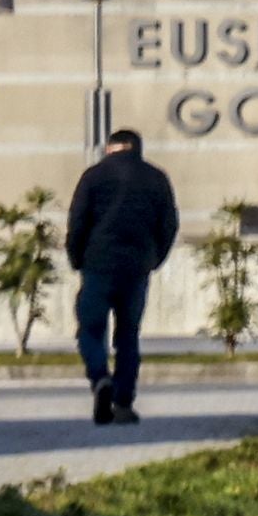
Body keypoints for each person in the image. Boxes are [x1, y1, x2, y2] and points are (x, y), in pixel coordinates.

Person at [65, 128, 180, 424]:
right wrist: (155, 259)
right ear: (137, 148)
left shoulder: (93, 176)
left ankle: (100, 377)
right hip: (136, 267)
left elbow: (77, 220)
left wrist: (76, 258)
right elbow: (169, 223)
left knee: (90, 330)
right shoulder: (156, 177)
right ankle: (123, 401)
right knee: (128, 335)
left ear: (110, 148)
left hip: (98, 265)